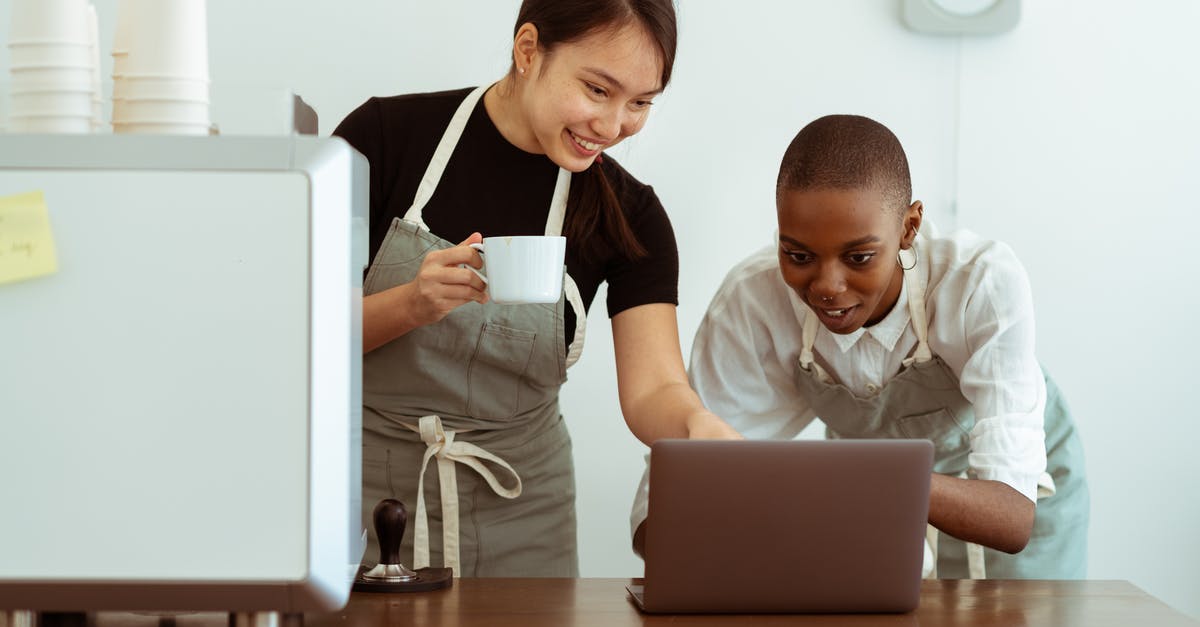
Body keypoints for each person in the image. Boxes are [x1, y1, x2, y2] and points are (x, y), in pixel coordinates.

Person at [333, 0, 739, 578]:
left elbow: (654, 388)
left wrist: (696, 425)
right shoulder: (383, 139)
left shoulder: (632, 215)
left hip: (525, 515)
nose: (614, 125)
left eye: (641, 102)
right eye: (598, 90)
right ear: (528, 50)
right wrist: (410, 303)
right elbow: (297, 332)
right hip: (360, 498)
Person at [630, 114, 1089, 578]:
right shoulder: (753, 303)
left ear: (909, 227)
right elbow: (668, 505)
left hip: (1016, 494)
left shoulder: (979, 283)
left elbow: (1012, 519)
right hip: (879, 508)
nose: (827, 286)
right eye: (799, 255)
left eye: (859, 257)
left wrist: (857, 480)